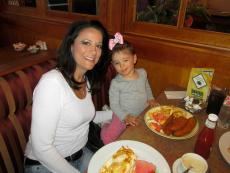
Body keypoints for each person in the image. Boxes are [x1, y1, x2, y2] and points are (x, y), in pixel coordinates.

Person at [24, 20, 111, 173]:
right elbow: (42, 148)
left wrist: (117, 115)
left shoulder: (85, 80)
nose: (93, 51)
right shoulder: (52, 84)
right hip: (44, 165)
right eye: (86, 43)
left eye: (98, 46)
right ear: (71, 46)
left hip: (80, 155)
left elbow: (83, 116)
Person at [100, 32, 156, 144]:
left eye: (125, 60)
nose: (122, 66)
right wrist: (125, 117)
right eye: (117, 63)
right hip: (122, 115)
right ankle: (104, 124)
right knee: (107, 139)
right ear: (113, 64)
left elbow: (146, 86)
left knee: (139, 138)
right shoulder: (116, 83)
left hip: (142, 113)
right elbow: (114, 104)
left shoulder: (143, 73)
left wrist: (151, 98)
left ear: (134, 59)